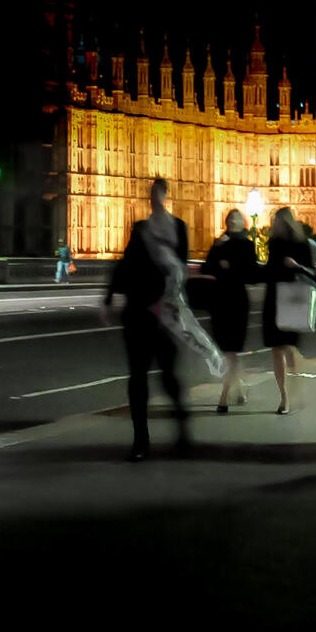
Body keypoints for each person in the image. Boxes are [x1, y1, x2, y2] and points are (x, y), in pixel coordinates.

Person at [101, 177, 191, 461]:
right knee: (137, 377)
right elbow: (125, 263)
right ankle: (140, 440)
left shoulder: (179, 228)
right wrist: (109, 297)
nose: (153, 198)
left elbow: (181, 270)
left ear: (165, 196)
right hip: (138, 311)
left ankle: (182, 428)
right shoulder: (140, 228)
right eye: (151, 194)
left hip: (163, 312)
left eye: (157, 193)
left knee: (168, 375)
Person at [262, 205, 316, 414]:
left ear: (285, 223)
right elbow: (269, 269)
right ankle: (284, 396)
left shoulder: (302, 244)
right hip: (273, 297)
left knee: (288, 347)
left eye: (277, 221)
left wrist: (296, 265)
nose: (274, 225)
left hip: (292, 298)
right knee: (276, 348)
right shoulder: (273, 244)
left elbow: (313, 273)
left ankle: (297, 386)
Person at [204, 211, 257, 412]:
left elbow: (251, 274)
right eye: (230, 219)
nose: (232, 222)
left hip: (237, 302)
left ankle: (223, 398)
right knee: (227, 351)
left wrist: (230, 267)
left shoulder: (247, 245)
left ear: (242, 223)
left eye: (236, 219)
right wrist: (218, 250)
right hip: (219, 301)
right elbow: (207, 269)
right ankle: (240, 389)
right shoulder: (219, 243)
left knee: (230, 351)